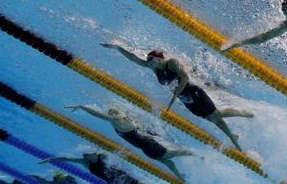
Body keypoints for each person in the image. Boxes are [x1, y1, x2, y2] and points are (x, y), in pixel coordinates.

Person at [100, 43, 253, 150]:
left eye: (151, 59)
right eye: (147, 60)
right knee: (211, 118)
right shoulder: (154, 68)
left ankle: (238, 132)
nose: (148, 62)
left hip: (194, 93)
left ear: (159, 58)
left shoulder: (171, 63)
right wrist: (118, 48)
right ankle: (236, 130)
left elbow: (185, 78)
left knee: (216, 116)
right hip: (185, 99)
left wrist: (174, 97)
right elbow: (133, 58)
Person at [65, 105, 190, 180]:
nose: (109, 115)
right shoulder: (122, 120)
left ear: (115, 113)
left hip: (147, 145)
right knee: (166, 160)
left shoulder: (117, 118)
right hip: (144, 146)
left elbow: (98, 115)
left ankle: (195, 154)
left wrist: (83, 107)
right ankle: (180, 176)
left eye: (110, 112)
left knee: (172, 154)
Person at [40, 153, 138, 184]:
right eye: (86, 155)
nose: (87, 156)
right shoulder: (85, 162)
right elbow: (68, 158)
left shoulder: (102, 156)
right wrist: (52, 159)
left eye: (88, 154)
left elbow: (117, 163)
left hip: (123, 177)